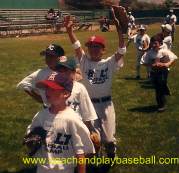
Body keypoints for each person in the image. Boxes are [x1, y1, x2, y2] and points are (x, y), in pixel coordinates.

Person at [63, 6, 126, 162]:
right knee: (93, 139)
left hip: (106, 105)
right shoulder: (84, 61)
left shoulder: (109, 63)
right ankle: (96, 157)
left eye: (97, 46)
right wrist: (70, 32)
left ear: (103, 50)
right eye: (90, 46)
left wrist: (119, 31)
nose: (93, 49)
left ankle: (111, 151)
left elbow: (122, 50)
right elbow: (77, 47)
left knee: (109, 139)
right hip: (88, 106)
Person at [25, 72, 95, 173]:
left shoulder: (72, 119)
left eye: (52, 89)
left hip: (64, 170)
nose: (47, 92)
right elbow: (29, 138)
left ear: (66, 94)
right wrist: (32, 140)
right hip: (42, 169)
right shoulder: (41, 115)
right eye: (47, 88)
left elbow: (81, 154)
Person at [55, 57, 100, 150]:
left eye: (65, 70)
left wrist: (90, 130)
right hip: (58, 126)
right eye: (59, 70)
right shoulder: (53, 88)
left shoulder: (79, 88)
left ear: (74, 72)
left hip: (76, 126)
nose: (62, 73)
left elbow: (86, 111)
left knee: (79, 151)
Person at [141, 35, 178, 112]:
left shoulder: (164, 51)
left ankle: (161, 105)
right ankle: (162, 100)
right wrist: (151, 65)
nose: (154, 45)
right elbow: (142, 62)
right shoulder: (149, 53)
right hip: (154, 72)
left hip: (164, 71)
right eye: (152, 43)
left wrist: (166, 64)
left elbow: (174, 57)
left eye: (155, 43)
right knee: (158, 87)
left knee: (160, 85)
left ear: (160, 43)